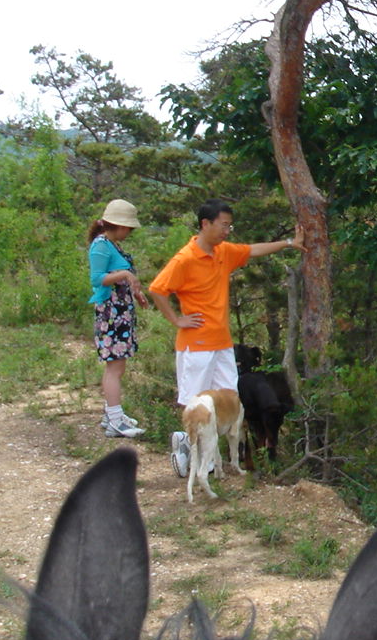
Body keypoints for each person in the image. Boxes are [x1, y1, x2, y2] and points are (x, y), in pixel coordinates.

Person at [149, 198, 304, 477]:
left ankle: (208, 457)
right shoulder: (184, 259)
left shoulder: (223, 252)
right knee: (195, 400)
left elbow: (252, 250)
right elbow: (158, 289)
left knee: (227, 400)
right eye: (223, 225)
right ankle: (186, 445)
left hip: (222, 343)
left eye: (230, 226)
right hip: (196, 344)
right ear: (205, 224)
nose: (227, 231)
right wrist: (176, 319)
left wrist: (289, 243)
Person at [88, 199, 149, 438]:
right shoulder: (101, 245)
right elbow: (98, 279)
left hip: (121, 311)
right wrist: (125, 274)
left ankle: (111, 414)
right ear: (119, 225)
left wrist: (136, 292)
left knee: (118, 365)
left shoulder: (112, 245)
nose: (129, 233)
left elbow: (120, 277)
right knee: (115, 366)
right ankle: (115, 418)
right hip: (111, 313)